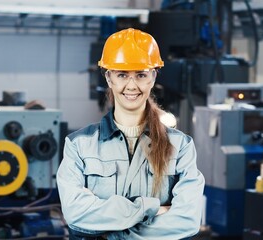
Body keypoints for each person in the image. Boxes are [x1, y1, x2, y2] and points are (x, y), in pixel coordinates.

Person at [56, 28, 205, 240]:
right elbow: (76, 214)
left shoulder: (180, 146)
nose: (132, 85)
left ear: (153, 77)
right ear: (109, 78)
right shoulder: (79, 145)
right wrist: (151, 208)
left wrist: (113, 235)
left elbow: (187, 220)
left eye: (141, 75)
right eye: (122, 75)